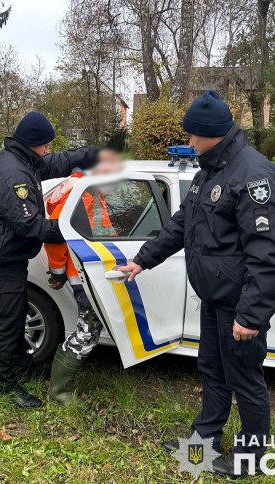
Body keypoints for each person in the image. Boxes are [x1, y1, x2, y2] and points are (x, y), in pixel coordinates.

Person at [118, 91, 275, 477]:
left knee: (246, 380)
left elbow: (266, 255)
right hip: (214, 299)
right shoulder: (210, 170)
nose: (188, 142)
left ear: (212, 134)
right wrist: (142, 260)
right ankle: (202, 443)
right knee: (212, 371)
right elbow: (181, 225)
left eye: (192, 135)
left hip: (239, 307)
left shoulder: (254, 175)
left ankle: (251, 459)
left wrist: (251, 316)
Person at [0, 112, 99, 409]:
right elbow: (29, 226)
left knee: (16, 315)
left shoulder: (22, 159)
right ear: (32, 144)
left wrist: (90, 155)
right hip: (2, 259)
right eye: (44, 145)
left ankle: (22, 365)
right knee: (7, 322)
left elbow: (53, 163)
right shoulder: (13, 175)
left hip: (10, 253)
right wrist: (71, 230)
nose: (47, 150)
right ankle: (6, 385)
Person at [45, 150, 123, 405]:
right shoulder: (80, 191)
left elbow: (99, 227)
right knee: (88, 329)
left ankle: (58, 387)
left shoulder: (81, 187)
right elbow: (56, 236)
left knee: (90, 327)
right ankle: (58, 391)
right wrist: (57, 271)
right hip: (83, 273)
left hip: (89, 269)